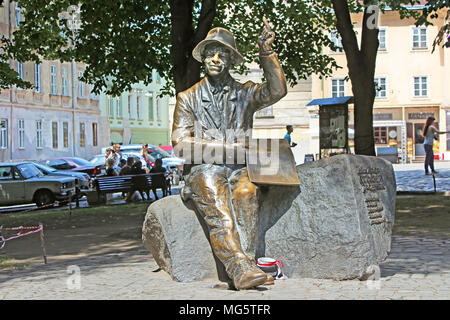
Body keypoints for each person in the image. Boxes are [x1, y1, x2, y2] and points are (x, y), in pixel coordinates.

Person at [172, 20, 287, 290]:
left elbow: (277, 90)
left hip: (240, 169)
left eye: (222, 54)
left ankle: (248, 264)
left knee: (247, 195)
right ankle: (239, 268)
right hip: (204, 169)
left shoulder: (245, 93)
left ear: (231, 61)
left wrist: (266, 54)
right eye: (210, 53)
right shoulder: (188, 97)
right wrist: (230, 149)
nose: (215, 59)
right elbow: (179, 143)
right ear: (202, 59)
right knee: (221, 212)